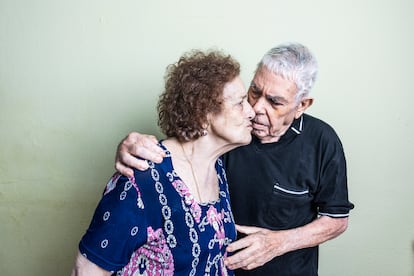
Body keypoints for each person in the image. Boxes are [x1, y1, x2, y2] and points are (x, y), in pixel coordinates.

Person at [115, 43, 354, 276]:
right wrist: (133, 146)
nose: (257, 108)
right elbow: (181, 152)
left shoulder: (322, 141)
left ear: (302, 105)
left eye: (275, 102)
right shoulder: (231, 129)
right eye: (255, 92)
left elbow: (336, 219)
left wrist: (277, 243)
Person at [71, 50, 255, 275]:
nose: (251, 112)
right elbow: (86, 270)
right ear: (203, 112)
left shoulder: (216, 166)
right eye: (240, 103)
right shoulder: (140, 179)